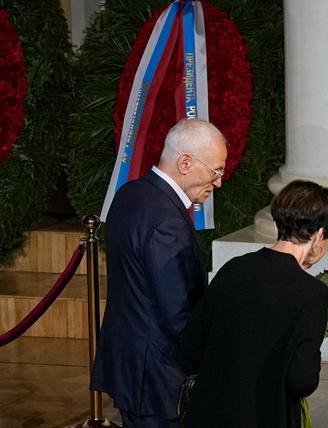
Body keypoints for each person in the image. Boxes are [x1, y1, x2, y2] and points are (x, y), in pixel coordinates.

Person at [91, 119, 227, 427]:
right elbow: (180, 315)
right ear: (185, 162)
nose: (218, 182)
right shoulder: (167, 221)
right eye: (215, 171)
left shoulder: (130, 195)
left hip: (131, 367)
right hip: (158, 378)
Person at [180, 180, 328, 427]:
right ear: (319, 234)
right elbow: (302, 380)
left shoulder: (234, 268)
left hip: (208, 412)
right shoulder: (311, 293)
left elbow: (192, 342)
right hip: (265, 415)